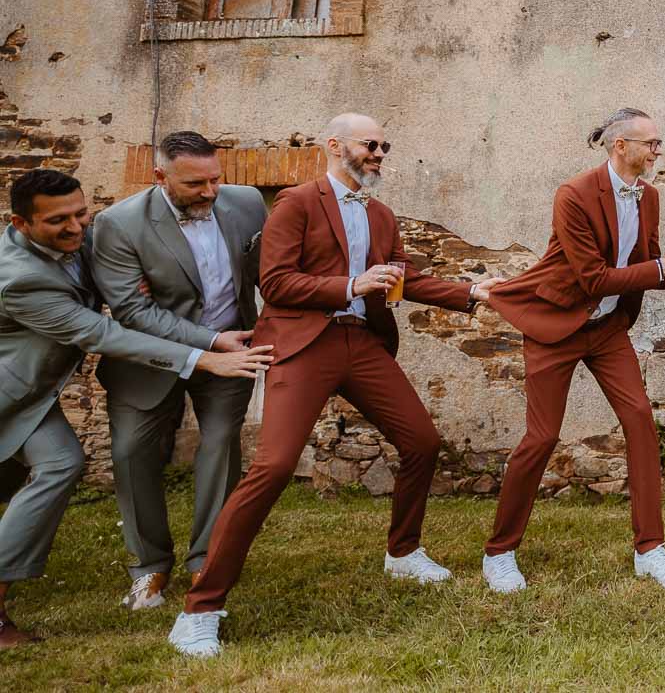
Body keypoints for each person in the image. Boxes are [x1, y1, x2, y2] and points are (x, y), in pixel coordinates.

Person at [169, 114, 501, 657]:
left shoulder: (381, 214)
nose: (379, 153)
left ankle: (403, 553)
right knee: (273, 466)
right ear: (333, 146)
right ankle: (201, 608)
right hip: (302, 343)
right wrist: (350, 283)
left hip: (362, 341)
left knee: (421, 441)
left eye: (383, 146)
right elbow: (275, 282)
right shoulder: (295, 203)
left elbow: (404, 279)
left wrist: (470, 292)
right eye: (370, 144)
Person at [0, 169, 271, 649]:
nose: (77, 228)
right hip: (11, 393)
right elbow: (100, 333)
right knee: (67, 464)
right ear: (20, 224)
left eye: (81, 214)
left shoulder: (82, 239)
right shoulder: (19, 279)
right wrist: (204, 355)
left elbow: (119, 279)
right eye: (58, 220)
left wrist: (134, 285)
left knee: (61, 463)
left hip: (34, 389)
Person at [484, 108, 665, 596]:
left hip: (607, 327)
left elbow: (646, 265)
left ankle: (650, 550)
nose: (658, 151)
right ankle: (500, 552)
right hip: (557, 323)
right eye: (651, 143)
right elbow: (592, 278)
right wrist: (663, 265)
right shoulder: (573, 195)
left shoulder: (649, 196)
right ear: (621, 147)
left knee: (640, 421)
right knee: (542, 437)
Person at [89, 131, 268, 611]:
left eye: (215, 179)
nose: (210, 192)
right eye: (195, 185)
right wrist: (209, 341)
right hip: (149, 360)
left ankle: (206, 562)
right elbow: (133, 313)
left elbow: (268, 270)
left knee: (220, 448)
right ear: (160, 177)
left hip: (234, 352)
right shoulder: (117, 224)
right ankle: (148, 568)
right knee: (131, 455)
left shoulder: (249, 202)